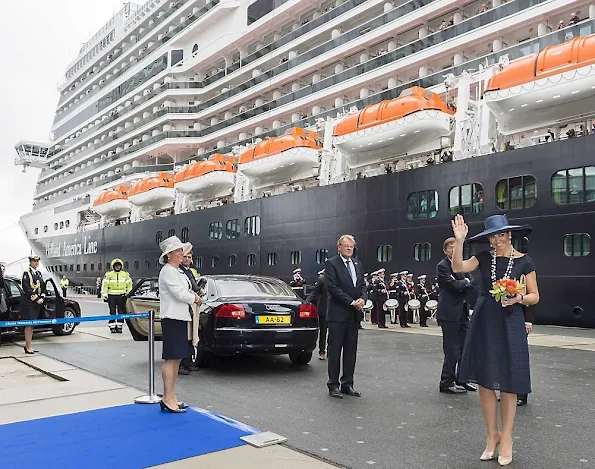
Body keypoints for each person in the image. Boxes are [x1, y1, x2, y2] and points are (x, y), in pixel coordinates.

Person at [452, 214, 539, 466]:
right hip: (484, 319)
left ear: (509, 235)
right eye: (493, 236)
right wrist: (460, 240)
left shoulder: (525, 261)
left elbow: (534, 295)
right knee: (486, 381)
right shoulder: (482, 257)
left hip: (511, 320)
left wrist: (518, 299)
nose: (497, 240)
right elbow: (458, 268)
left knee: (509, 381)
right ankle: (492, 436)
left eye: (501, 235)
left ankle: (508, 437)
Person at [158, 236, 202, 413]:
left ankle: (171, 396)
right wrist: (195, 298)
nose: (181, 253)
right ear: (168, 255)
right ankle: (167, 397)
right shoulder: (168, 271)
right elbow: (178, 293)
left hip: (180, 317)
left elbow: (183, 289)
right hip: (172, 317)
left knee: (176, 358)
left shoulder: (177, 271)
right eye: (177, 250)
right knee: (171, 358)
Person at [325, 235, 367, 398]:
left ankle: (347, 384)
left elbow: (362, 285)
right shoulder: (331, 264)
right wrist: (351, 302)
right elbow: (333, 288)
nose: (349, 248)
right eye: (346, 246)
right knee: (335, 351)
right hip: (338, 314)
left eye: (351, 246)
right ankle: (333, 385)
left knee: (351, 351)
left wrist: (363, 298)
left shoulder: (357, 264)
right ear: (339, 247)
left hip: (353, 315)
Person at [436, 238, 477, 394]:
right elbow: (454, 285)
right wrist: (464, 283)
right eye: (450, 248)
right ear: (445, 250)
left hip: (463, 312)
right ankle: (446, 382)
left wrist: (464, 283)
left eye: (456, 247)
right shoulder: (443, 266)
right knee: (451, 349)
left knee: (465, 348)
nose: (453, 250)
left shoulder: (462, 265)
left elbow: (472, 283)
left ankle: (462, 379)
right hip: (449, 313)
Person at [178, 246, 200, 375]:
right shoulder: (179, 271)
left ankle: (188, 363)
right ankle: (181, 364)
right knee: (185, 336)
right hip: (185, 306)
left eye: (189, 257)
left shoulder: (190, 271)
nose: (187, 259)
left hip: (192, 306)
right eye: (185, 256)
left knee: (192, 336)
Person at [20, 255, 46, 354]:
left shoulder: (39, 273)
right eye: (34, 261)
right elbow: (26, 288)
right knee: (29, 325)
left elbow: (43, 287)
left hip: (37, 303)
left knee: (32, 325)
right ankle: (27, 346)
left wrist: (42, 297)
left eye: (37, 261)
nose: (36, 263)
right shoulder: (27, 273)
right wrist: (36, 299)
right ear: (30, 262)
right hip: (29, 303)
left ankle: (29, 345)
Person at [101, 258, 133, 333]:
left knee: (121, 311)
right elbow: (104, 286)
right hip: (111, 296)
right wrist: (104, 295)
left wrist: (128, 294)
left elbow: (129, 285)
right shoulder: (109, 275)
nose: (117, 267)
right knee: (112, 311)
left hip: (122, 296)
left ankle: (119, 326)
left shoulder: (125, 275)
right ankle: (112, 327)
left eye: (119, 265)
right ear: (113, 266)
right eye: (116, 266)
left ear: (121, 266)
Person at [306, 269, 328, 360]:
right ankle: (322, 351)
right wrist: (306, 302)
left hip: (335, 310)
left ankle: (331, 351)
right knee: (323, 332)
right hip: (324, 309)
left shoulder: (338, 279)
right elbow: (314, 292)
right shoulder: (322, 279)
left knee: (334, 333)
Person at [517, 305, 535, 406]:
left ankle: (521, 394)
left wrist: (528, 321)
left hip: (519, 318)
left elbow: (532, 296)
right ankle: (507, 391)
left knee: (519, 358)